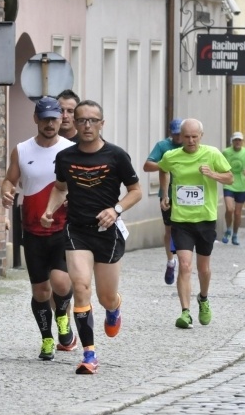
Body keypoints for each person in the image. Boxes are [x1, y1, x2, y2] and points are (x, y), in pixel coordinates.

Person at [41, 100, 142, 375]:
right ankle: (89, 355)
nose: (87, 125)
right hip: (77, 231)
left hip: (107, 233)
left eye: (92, 120)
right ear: (73, 122)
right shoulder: (65, 157)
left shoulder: (116, 156)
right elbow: (60, 188)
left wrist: (116, 209)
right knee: (81, 286)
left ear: (101, 123)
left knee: (105, 296)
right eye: (81, 120)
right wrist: (49, 209)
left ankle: (114, 307)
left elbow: (136, 190)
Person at [0, 97, 77, 361]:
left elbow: (82, 186)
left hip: (63, 227)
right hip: (32, 229)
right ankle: (47, 339)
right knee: (41, 291)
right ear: (36, 119)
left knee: (61, 282)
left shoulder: (70, 150)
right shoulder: (22, 150)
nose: (49, 124)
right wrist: (6, 194)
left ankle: (63, 316)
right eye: (44, 119)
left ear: (61, 120)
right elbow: (10, 180)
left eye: (54, 119)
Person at [158, 118, 232, 329]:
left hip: (206, 219)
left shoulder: (212, 154)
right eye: (186, 137)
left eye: (194, 136)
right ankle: (185, 312)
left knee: (204, 268)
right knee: (184, 265)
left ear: (201, 136)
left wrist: (213, 174)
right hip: (181, 220)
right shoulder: (172, 156)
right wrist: (165, 194)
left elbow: (230, 178)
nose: (190, 141)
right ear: (180, 137)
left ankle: (204, 298)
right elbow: (162, 169)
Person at [143, 118, 183, 283]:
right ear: (170, 133)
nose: (179, 138)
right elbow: (147, 166)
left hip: (186, 194)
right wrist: (165, 164)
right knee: (169, 230)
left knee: (183, 231)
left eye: (181, 134)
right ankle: (171, 261)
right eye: (176, 135)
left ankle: (184, 263)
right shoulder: (163, 146)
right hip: (167, 194)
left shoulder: (191, 145)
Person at [221, 131, 245, 246]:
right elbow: (219, 163)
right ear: (232, 141)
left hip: (242, 186)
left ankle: (235, 234)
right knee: (229, 209)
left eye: (239, 140)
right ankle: (228, 229)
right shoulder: (226, 152)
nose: (237, 142)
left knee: (237, 213)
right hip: (229, 183)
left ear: (242, 142)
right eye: (235, 140)